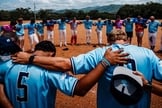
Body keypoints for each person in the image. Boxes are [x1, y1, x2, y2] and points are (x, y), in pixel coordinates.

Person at [13, 29, 162, 108]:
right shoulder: (148, 53)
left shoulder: (102, 52)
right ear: (127, 40)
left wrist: (30, 58)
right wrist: (148, 85)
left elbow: (65, 64)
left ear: (109, 41)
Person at [0, 32, 129, 108]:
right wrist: (105, 62)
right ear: (51, 56)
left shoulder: (9, 65)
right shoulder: (50, 72)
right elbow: (80, 89)